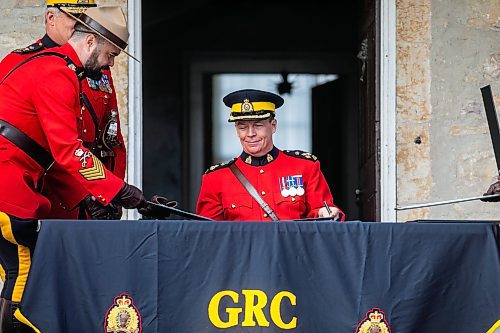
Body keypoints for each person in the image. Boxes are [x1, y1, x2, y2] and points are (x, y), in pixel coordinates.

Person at [0, 7, 145, 332]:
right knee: (26, 279)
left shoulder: (46, 65)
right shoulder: (57, 72)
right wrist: (116, 190)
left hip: (18, 181)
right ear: (91, 41)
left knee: (22, 275)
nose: (110, 63)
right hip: (8, 185)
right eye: (110, 54)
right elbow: (68, 151)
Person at [0, 0, 127, 220]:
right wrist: (106, 190)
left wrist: (111, 192)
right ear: (51, 19)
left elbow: (110, 139)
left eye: (88, 21)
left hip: (88, 190)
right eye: (76, 20)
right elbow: (60, 146)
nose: (84, 26)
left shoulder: (95, 67)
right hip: (43, 191)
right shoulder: (27, 63)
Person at [196, 89, 345, 221]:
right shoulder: (215, 178)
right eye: (242, 127)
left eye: (258, 126)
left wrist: (325, 213)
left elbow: (322, 216)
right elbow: (208, 234)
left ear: (273, 126)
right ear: (236, 130)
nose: (250, 134)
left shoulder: (305, 167)